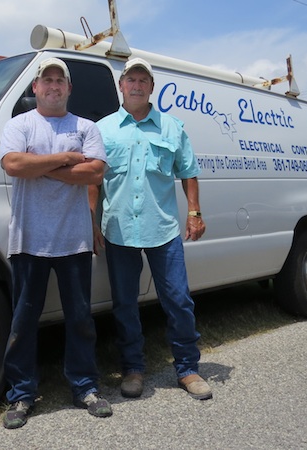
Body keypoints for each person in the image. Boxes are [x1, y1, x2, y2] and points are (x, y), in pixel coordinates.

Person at [89, 57, 212, 401]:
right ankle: (133, 369)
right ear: (121, 86)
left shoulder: (173, 127)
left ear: (151, 87)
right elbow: (94, 181)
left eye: (144, 79)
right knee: (125, 304)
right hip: (119, 230)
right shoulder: (103, 129)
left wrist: (194, 213)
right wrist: (93, 222)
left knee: (179, 300)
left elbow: (188, 172)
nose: (137, 85)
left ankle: (188, 369)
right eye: (131, 79)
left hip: (164, 229)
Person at [0, 57, 112, 429]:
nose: (52, 86)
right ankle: (21, 395)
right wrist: (65, 159)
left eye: (59, 80)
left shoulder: (86, 127)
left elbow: (95, 172)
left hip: (74, 240)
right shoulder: (19, 124)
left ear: (69, 88)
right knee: (23, 321)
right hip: (28, 240)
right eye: (46, 80)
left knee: (80, 319)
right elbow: (14, 165)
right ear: (36, 88)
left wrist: (40, 165)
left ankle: (85, 387)